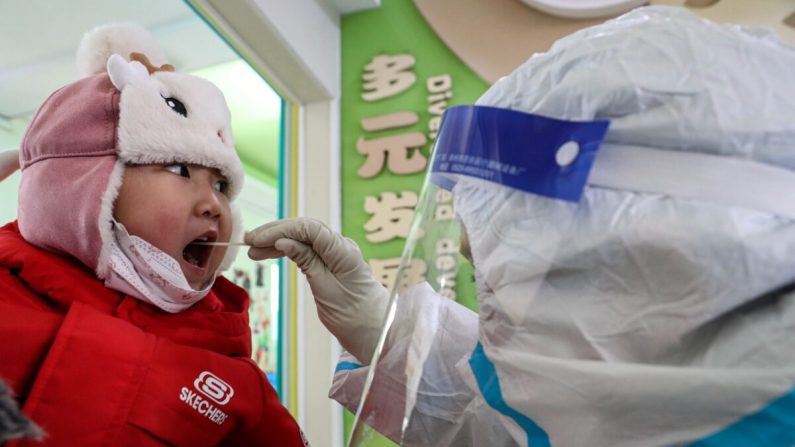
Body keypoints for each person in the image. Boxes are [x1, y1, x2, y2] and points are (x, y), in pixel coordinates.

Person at [245, 6, 795, 446]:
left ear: (648, 240)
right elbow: (513, 426)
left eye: (508, 248)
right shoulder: (693, 395)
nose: (466, 252)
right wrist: (381, 330)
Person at [0, 24, 307, 446]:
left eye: (222, 186)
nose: (213, 205)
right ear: (85, 187)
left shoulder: (233, 374)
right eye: (181, 171)